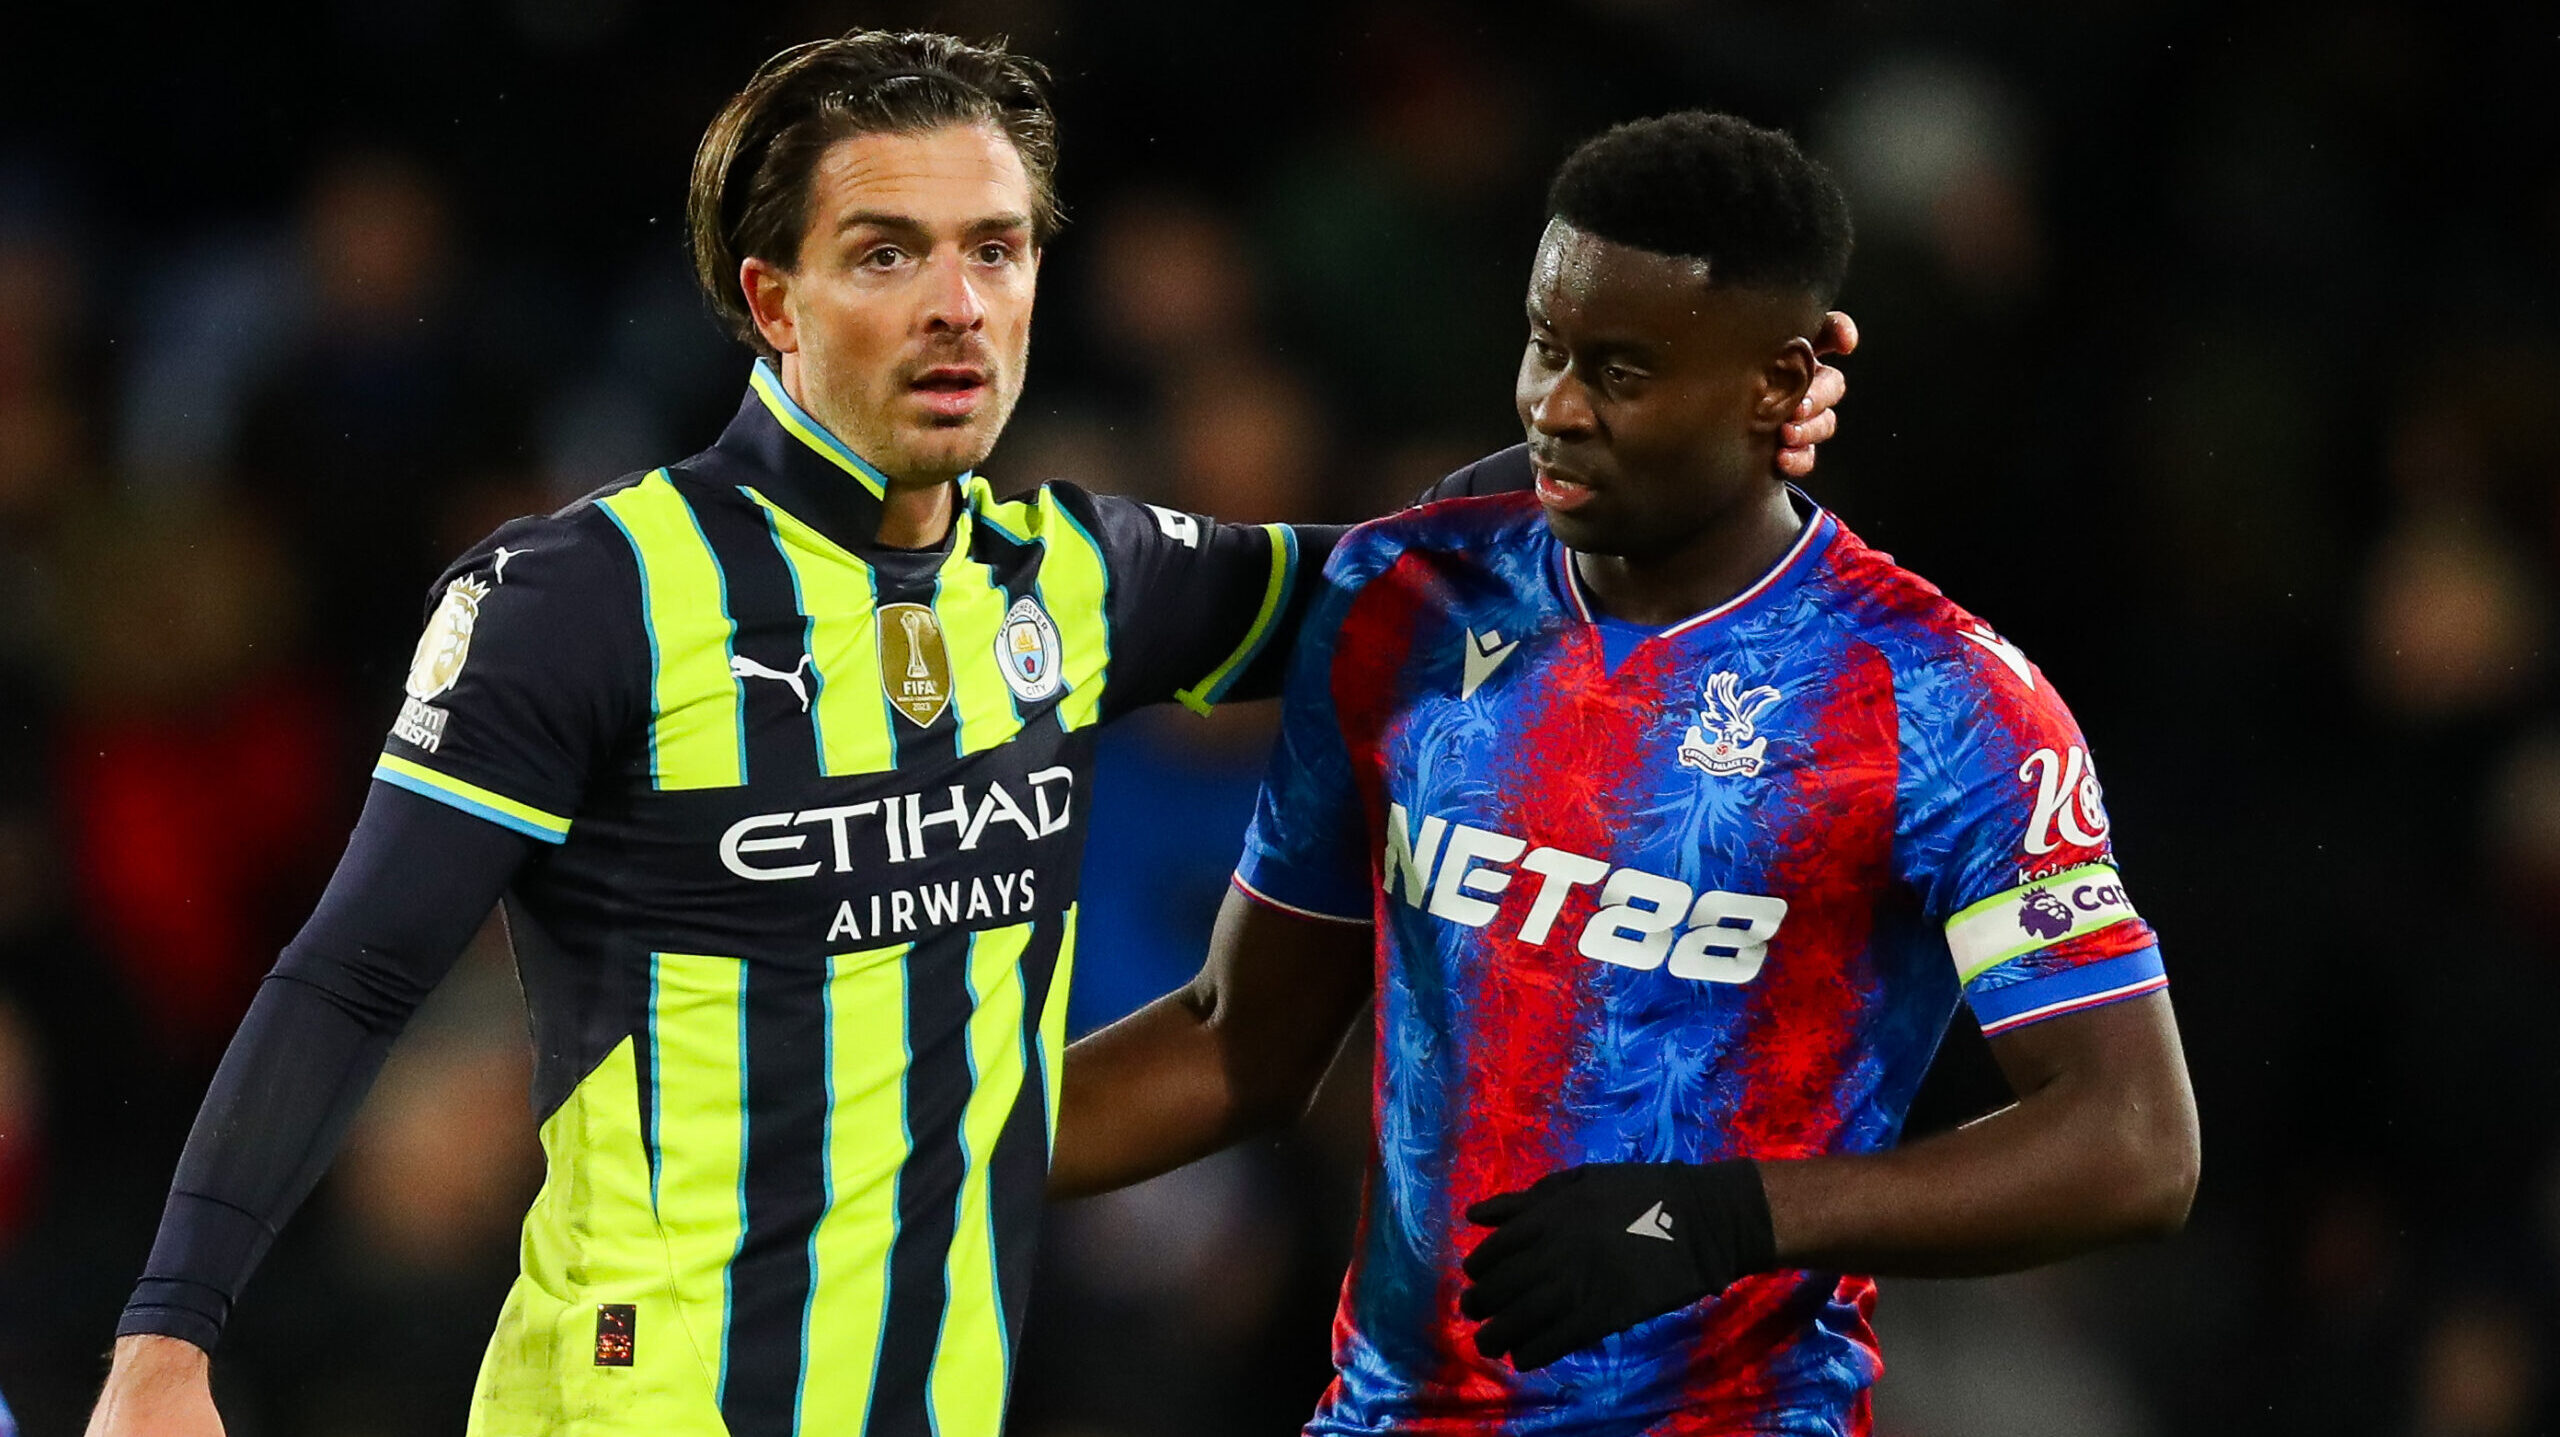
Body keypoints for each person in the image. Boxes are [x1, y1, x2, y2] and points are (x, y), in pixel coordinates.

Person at [1051, 112, 2199, 1435]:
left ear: (1781, 384)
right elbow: (1234, 1045)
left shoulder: (1935, 700)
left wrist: (1727, 1216)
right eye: (1546, 342)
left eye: (1624, 367)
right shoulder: (1403, 600)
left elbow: (2132, 1143)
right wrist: (891, 1145)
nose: (1556, 401)